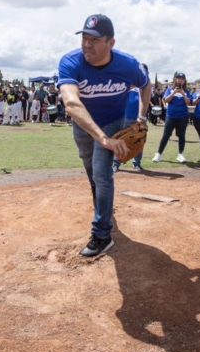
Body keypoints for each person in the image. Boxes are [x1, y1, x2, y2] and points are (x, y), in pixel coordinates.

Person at [58, 14, 150, 257]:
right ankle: (102, 204)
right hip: (83, 125)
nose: (87, 44)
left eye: (95, 40)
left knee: (102, 173)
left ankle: (102, 235)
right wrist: (100, 137)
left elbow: (146, 85)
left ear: (111, 42)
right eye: (85, 38)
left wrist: (141, 116)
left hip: (112, 123)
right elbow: (71, 103)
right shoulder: (71, 62)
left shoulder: (128, 64)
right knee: (91, 171)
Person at [112, 64, 150, 173]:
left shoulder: (146, 86)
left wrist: (141, 117)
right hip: (126, 116)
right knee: (122, 139)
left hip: (141, 118)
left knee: (139, 140)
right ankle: (116, 163)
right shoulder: (129, 83)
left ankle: (136, 163)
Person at [152, 73, 191, 163]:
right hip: (171, 115)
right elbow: (166, 100)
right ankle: (158, 154)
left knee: (181, 136)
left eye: (182, 79)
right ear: (175, 80)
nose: (180, 80)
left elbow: (188, 102)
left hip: (183, 116)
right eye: (178, 78)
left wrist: (183, 94)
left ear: (184, 80)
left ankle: (180, 154)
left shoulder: (186, 91)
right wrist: (174, 92)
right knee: (166, 135)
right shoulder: (169, 89)